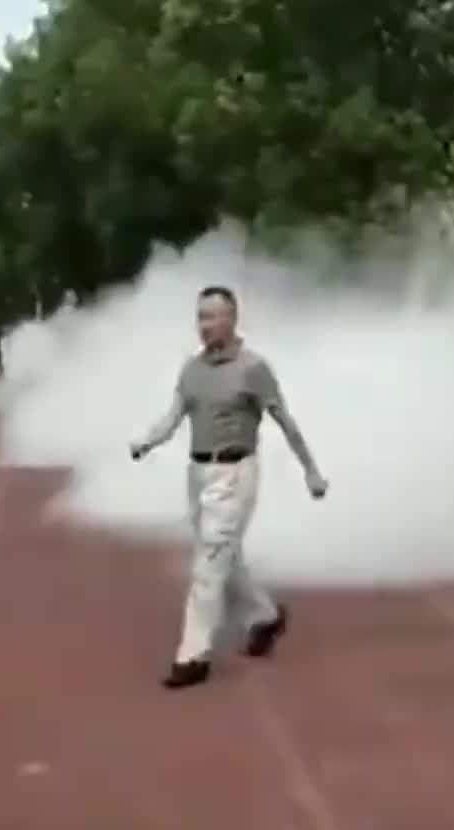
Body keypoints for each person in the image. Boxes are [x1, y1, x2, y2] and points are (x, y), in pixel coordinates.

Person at [129, 286, 329, 690]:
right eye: (200, 317)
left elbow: (285, 422)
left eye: (212, 316)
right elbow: (174, 415)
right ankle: (265, 617)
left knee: (208, 564)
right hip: (198, 472)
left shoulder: (253, 369)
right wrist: (148, 441)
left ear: (232, 319)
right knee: (226, 559)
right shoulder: (192, 369)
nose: (204, 325)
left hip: (235, 472)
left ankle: (192, 656)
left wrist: (311, 471)